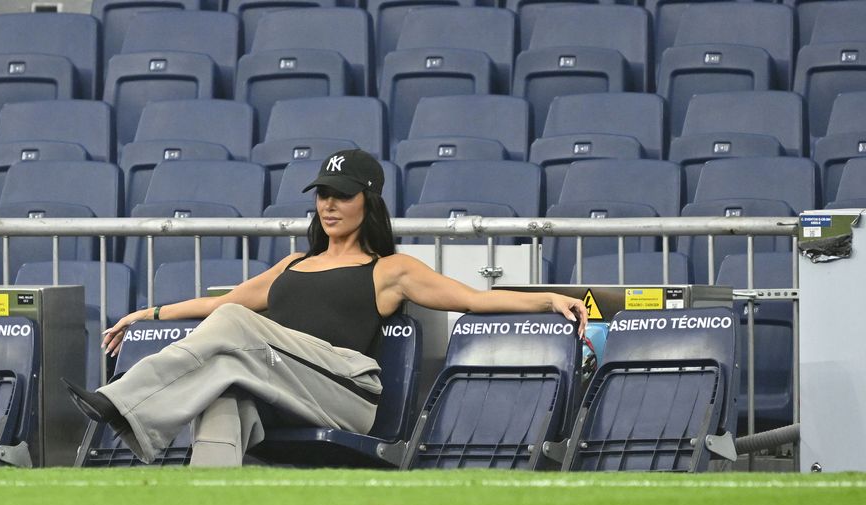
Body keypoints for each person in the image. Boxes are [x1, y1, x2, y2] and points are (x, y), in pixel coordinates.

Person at [65, 149, 587, 467]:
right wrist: (149, 314)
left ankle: (122, 402)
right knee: (223, 391)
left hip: (347, 391)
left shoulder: (389, 269)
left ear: (368, 200)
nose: (328, 205)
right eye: (322, 195)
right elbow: (221, 302)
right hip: (282, 384)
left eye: (340, 194)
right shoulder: (293, 264)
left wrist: (545, 297)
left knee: (233, 328)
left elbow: (472, 298)